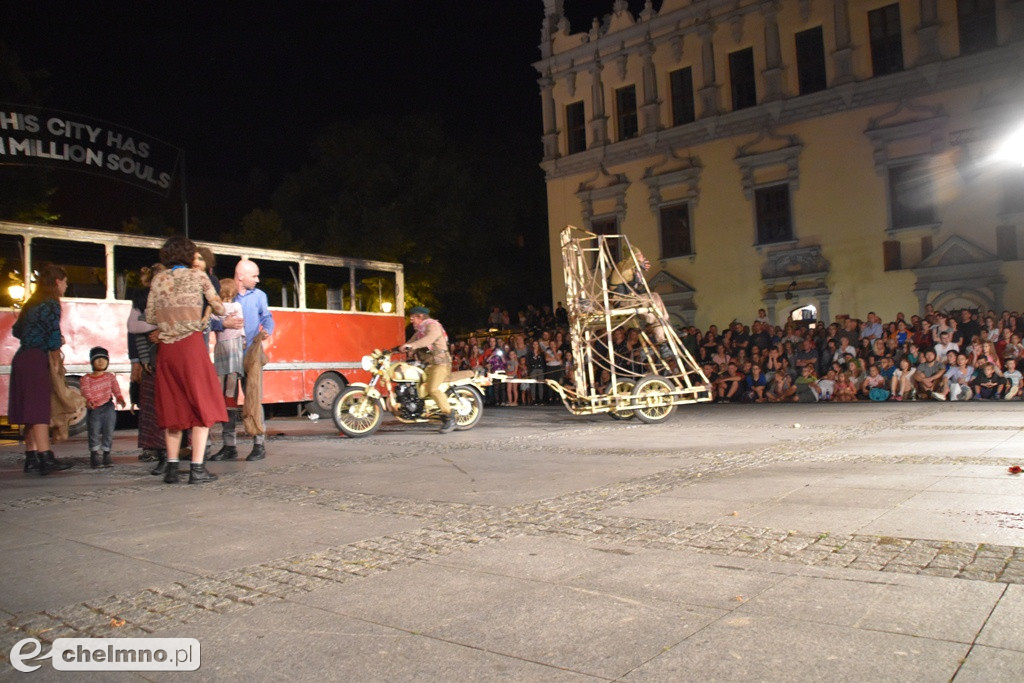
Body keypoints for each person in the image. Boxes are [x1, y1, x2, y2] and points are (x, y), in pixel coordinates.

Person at [146, 235, 227, 484]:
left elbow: (150, 316)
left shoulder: (158, 279)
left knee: (173, 406)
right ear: (189, 255)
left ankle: (171, 469)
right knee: (201, 404)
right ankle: (197, 468)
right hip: (191, 346)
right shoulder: (198, 276)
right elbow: (220, 308)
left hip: (167, 350)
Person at [9, 263, 74, 475]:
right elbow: (53, 335)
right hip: (37, 357)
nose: (66, 286)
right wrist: (57, 345)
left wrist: (32, 334)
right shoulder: (51, 304)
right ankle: (46, 457)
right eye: (65, 282)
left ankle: (31, 456)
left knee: (29, 409)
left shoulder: (31, 302)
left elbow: (17, 331)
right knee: (39, 409)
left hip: (22, 357)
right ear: (57, 282)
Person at [211, 259, 274, 461]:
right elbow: (209, 321)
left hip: (250, 353)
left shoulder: (259, 296)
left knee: (253, 396)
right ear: (241, 276)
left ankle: (258, 443)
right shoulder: (224, 293)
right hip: (229, 355)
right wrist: (223, 324)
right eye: (254, 276)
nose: (257, 279)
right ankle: (229, 445)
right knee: (228, 399)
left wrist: (267, 331)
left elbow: (267, 317)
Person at [207, 278, 245, 460]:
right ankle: (204, 446)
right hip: (225, 347)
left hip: (228, 346)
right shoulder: (219, 307)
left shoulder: (233, 306)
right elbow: (208, 321)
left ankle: (229, 445)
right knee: (222, 381)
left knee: (228, 383)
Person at [401, 306, 455, 433]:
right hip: (427, 365)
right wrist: (394, 350)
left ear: (420, 316)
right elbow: (409, 342)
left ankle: (449, 417)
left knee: (432, 389)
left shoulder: (432, 326)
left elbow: (429, 339)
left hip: (440, 364)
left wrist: (412, 346)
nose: (411, 320)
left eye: (413, 318)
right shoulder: (420, 331)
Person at [79, 346, 126, 468]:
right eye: (97, 359)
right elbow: (85, 391)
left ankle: (107, 453)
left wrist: (119, 397)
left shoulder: (110, 377)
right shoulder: (86, 379)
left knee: (108, 431)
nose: (101, 361)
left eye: (104, 359)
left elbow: (115, 388)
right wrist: (89, 401)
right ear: (92, 361)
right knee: (94, 431)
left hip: (108, 407)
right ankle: (94, 454)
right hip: (95, 409)